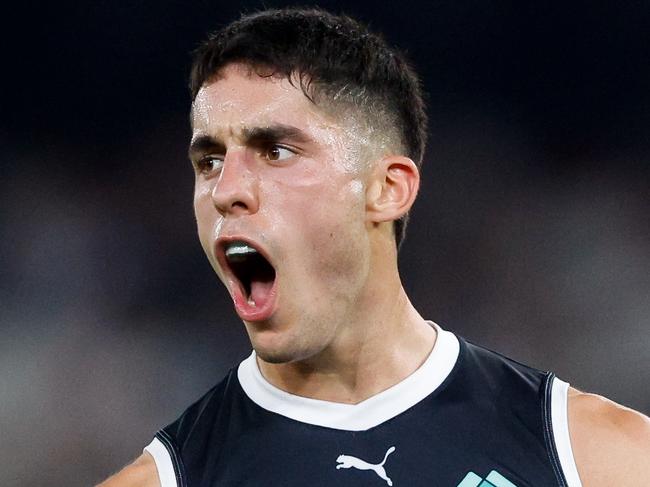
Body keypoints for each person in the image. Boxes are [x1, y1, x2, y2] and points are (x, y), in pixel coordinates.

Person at [98, 7, 650, 487]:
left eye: (276, 151)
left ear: (389, 189)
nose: (227, 191)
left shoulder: (594, 455)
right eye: (209, 161)